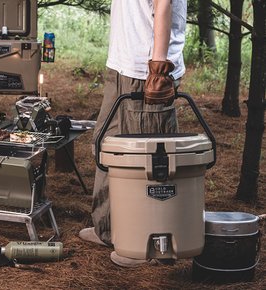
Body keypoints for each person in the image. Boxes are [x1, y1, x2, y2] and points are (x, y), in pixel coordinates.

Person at [79, 0, 187, 267]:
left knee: (144, 160)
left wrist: (158, 69)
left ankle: (143, 246)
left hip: (145, 71)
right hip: (121, 66)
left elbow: (163, 5)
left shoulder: (152, 70)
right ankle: (108, 230)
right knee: (107, 146)